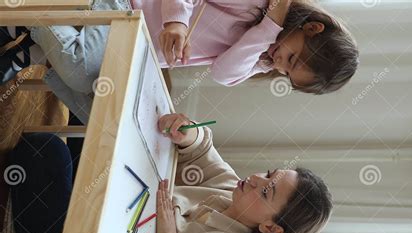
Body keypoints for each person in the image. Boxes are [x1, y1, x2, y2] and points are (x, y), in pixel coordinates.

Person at [0, 0, 358, 124]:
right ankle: (31, 18)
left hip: (132, 40)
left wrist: (269, 33)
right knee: (80, 74)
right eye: (292, 58)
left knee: (105, 109)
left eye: (287, 72)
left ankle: (37, 50)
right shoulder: (256, 7)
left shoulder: (263, 50)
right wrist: (176, 20)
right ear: (311, 27)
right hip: (128, 9)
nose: (280, 64)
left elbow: (223, 73)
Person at [156, 113, 333, 233]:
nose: (255, 179)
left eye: (265, 193)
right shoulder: (231, 191)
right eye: (269, 175)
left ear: (270, 228)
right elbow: (202, 149)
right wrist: (189, 133)